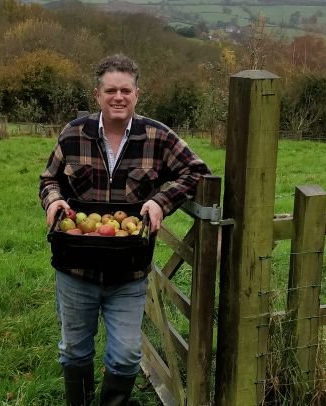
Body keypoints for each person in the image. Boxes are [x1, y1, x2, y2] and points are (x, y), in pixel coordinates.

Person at [39, 54, 210, 405]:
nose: (119, 97)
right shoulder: (74, 133)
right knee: (74, 351)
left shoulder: (157, 136)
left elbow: (196, 171)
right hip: (75, 268)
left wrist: (161, 201)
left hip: (128, 272)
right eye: (111, 90)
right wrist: (53, 200)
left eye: (126, 91)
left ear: (137, 94)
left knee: (125, 356)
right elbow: (49, 179)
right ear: (97, 94)